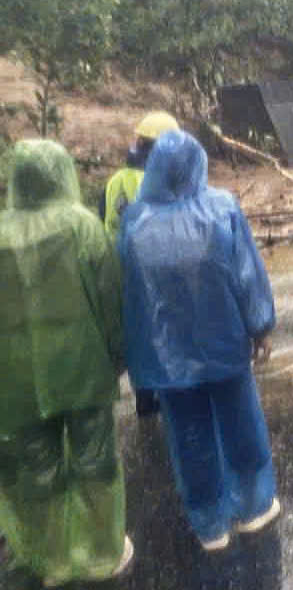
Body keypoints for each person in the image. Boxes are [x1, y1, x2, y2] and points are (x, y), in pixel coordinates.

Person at [119, 130, 280, 552]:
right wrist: (261, 327)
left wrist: (134, 359)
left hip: (168, 361)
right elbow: (246, 276)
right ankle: (254, 508)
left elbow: (128, 296)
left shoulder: (134, 223)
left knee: (190, 437)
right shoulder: (222, 208)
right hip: (225, 344)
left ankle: (210, 525)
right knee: (241, 425)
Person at [0, 140, 133, 586]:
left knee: (36, 470)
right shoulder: (83, 226)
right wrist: (118, 357)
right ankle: (101, 553)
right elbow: (110, 298)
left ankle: (51, 562)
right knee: (94, 460)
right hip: (82, 367)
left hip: (14, 379)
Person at [101, 110, 180, 418]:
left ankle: (144, 400)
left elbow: (104, 223)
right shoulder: (163, 180)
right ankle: (171, 395)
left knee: (139, 336)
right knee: (166, 332)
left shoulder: (115, 181)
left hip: (123, 271)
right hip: (159, 270)